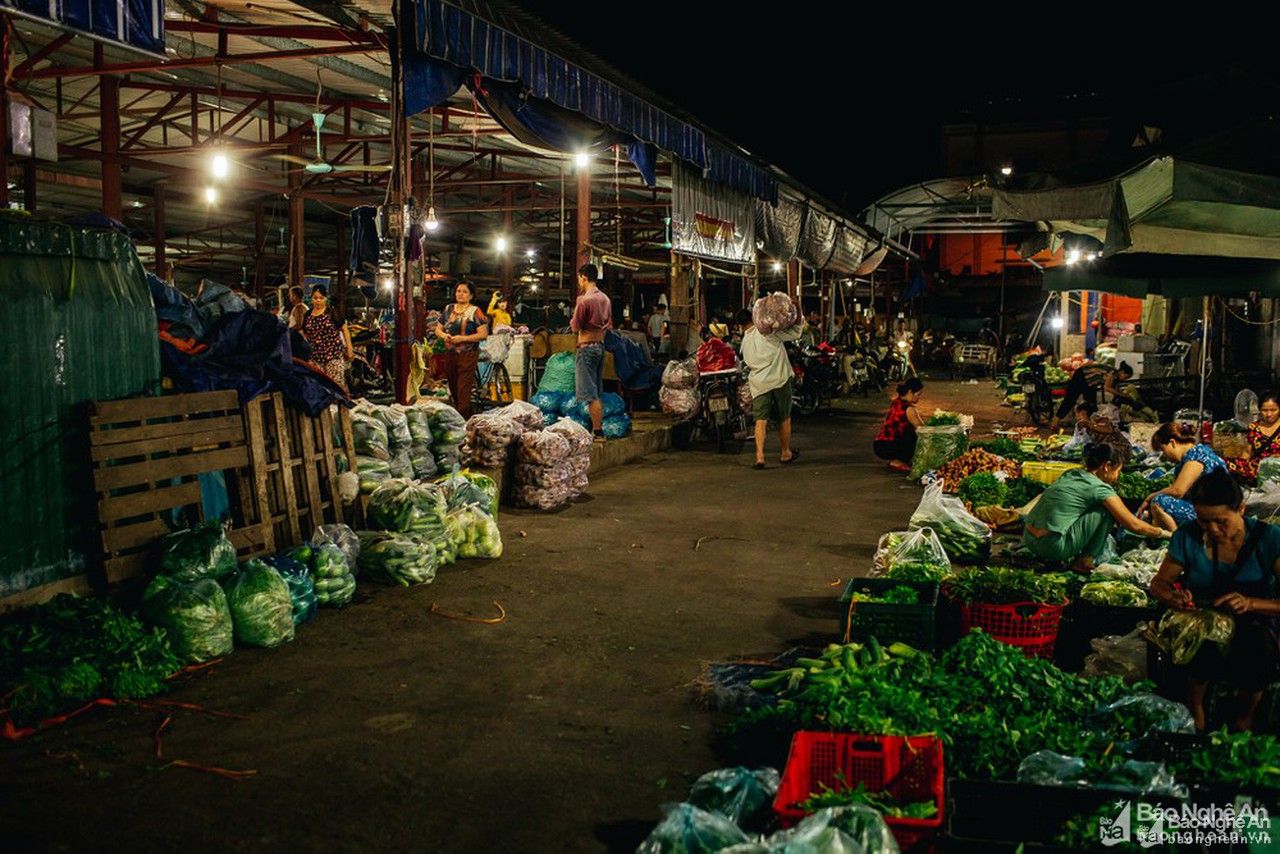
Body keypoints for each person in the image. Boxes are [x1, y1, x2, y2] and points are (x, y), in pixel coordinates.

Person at [1149, 469, 1280, 731]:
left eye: (1221, 521)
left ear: (1241, 509)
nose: (1212, 529)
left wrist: (1251, 603)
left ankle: (1244, 716)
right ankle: (1196, 710)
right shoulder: (1187, 536)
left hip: (1255, 618)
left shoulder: (1268, 539)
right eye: (1203, 521)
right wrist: (1174, 596)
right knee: (1201, 642)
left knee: (1259, 649)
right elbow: (1158, 584)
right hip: (1201, 614)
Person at [1023, 443, 1169, 572]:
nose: (1117, 477)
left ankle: (1063, 556)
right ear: (1107, 466)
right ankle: (1084, 561)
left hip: (1029, 539)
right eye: (1118, 471)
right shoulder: (1099, 488)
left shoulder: (1071, 474)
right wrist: (1165, 533)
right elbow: (1134, 525)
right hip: (1052, 547)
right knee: (1105, 512)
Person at [739, 306, 803, 469]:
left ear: (740, 325)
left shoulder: (744, 343)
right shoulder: (768, 332)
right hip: (779, 379)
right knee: (784, 417)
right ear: (754, 319)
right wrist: (798, 312)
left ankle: (760, 456)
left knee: (760, 420)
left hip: (759, 384)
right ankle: (785, 452)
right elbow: (796, 333)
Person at [1142, 421, 1229, 531]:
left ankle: (1176, 541)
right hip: (1210, 510)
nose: (1165, 457)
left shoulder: (1197, 454)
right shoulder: (1192, 456)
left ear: (1172, 443)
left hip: (1215, 514)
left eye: (1163, 451)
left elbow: (1178, 491)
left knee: (1158, 502)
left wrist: (1150, 497)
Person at [435, 281, 488, 418]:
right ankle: (467, 420)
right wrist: (444, 336)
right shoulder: (448, 309)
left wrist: (462, 339)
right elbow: (437, 330)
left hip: (468, 355)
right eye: (458, 291)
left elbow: (483, 334)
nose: (461, 294)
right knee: (453, 388)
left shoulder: (475, 311)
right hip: (450, 354)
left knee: (463, 390)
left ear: (471, 296)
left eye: (465, 292)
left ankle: (461, 421)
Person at [571, 263, 612, 437]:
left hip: (586, 347)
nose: (579, 282)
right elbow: (609, 325)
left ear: (584, 278)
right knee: (597, 391)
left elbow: (575, 326)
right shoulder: (605, 299)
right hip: (600, 347)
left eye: (579, 279)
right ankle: (597, 428)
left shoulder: (585, 300)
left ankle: (598, 431)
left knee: (591, 394)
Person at [300, 285, 353, 391]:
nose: (318, 301)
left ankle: (342, 407)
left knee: (337, 387)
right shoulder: (308, 315)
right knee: (319, 389)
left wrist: (349, 349)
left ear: (326, 298)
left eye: (321, 298)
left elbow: (345, 329)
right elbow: (304, 333)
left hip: (333, 356)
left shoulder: (332, 312)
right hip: (315, 358)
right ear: (311, 298)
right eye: (315, 298)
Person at [1227, 393, 1280, 483]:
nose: (1269, 414)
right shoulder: (1253, 428)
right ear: (1259, 410)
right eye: (1265, 410)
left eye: (1273, 410)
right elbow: (1247, 453)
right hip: (1259, 469)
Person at [873, 378, 924, 471]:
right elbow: (923, 429)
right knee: (916, 434)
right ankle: (899, 461)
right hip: (888, 446)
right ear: (910, 392)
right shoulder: (909, 409)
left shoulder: (896, 401)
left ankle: (898, 460)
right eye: (918, 394)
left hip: (880, 444)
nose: (919, 398)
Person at [1056, 361, 1133, 421]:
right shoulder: (1112, 373)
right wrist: (1122, 395)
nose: (1125, 379)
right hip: (1081, 376)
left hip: (1089, 383)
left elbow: (1115, 389)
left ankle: (1088, 422)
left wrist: (1121, 394)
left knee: (1091, 404)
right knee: (1070, 399)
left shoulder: (1116, 376)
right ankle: (1056, 420)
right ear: (1122, 372)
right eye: (1126, 377)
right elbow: (1107, 388)